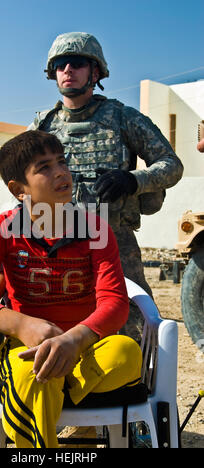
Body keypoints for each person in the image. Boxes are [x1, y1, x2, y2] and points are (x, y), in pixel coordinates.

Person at [0, 130, 142, 448]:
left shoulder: (96, 229)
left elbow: (115, 304)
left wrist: (73, 340)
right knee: (35, 374)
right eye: (44, 167)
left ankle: (55, 387)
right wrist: (20, 324)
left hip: (87, 350)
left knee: (126, 352)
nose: (61, 172)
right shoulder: (4, 229)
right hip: (26, 349)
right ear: (19, 189)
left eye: (62, 162)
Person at [29, 32, 184, 339]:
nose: (67, 70)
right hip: (58, 241)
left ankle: (137, 385)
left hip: (114, 239)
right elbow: (22, 177)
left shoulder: (123, 118)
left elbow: (171, 164)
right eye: (60, 64)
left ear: (95, 72)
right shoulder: (42, 125)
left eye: (77, 63)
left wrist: (132, 181)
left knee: (134, 322)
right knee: (58, 322)